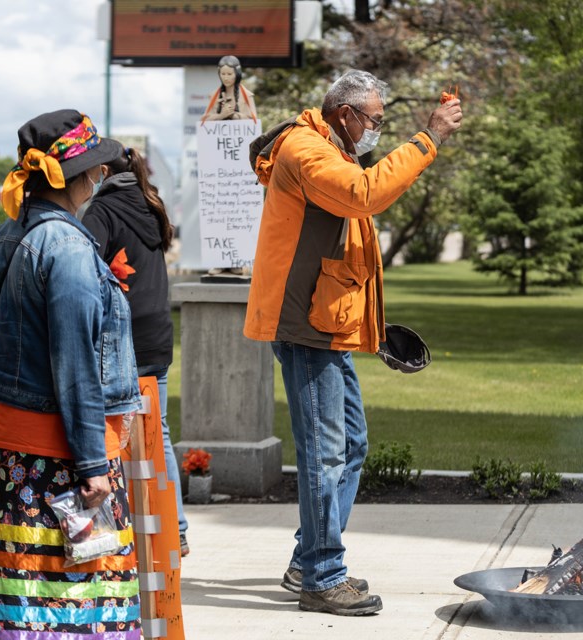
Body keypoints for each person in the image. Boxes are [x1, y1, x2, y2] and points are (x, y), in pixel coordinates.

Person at [244, 69, 463, 616]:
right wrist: (427, 137)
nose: (377, 132)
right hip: (307, 328)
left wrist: (372, 327)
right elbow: (364, 196)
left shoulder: (330, 147)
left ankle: (307, 561)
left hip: (327, 324)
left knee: (352, 445)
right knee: (325, 452)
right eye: (375, 120)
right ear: (345, 114)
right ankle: (322, 574)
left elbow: (348, 248)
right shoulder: (304, 149)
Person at [0, 109, 142, 636]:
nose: (100, 178)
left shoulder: (9, 233)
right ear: (75, 176)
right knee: (80, 602)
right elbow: (75, 362)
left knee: (23, 593)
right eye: (95, 168)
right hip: (62, 457)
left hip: (14, 454)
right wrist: (93, 463)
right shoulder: (69, 248)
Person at [80, 146, 189, 555]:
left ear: (103, 171)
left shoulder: (101, 210)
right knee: (157, 433)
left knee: (110, 435)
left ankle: (114, 527)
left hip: (121, 338)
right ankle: (173, 527)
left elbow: (87, 270)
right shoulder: (151, 203)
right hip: (158, 333)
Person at [200, 55, 257, 122]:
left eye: (229, 74)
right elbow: (204, 120)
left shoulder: (247, 95)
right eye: (223, 74)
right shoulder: (214, 96)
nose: (226, 78)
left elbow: (254, 120)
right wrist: (221, 116)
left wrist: (233, 115)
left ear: (237, 74)